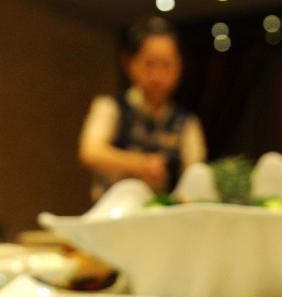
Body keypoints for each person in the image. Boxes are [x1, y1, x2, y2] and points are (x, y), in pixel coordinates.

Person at [78, 17, 206, 200]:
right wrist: (140, 164)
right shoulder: (111, 107)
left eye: (166, 65)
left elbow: (194, 173)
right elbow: (90, 152)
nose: (157, 76)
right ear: (130, 63)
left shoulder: (187, 123)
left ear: (179, 67)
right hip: (111, 212)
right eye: (149, 64)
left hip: (162, 213)